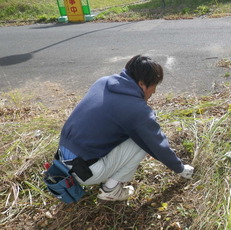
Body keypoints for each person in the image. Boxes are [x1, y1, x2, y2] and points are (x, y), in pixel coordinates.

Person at [57, 54, 194, 201]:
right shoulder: (136, 110)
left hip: (62, 162)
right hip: (85, 172)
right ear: (142, 84)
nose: (152, 93)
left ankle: (103, 174)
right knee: (143, 141)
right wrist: (180, 169)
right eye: (153, 87)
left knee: (133, 133)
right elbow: (157, 145)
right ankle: (110, 190)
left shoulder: (103, 82)